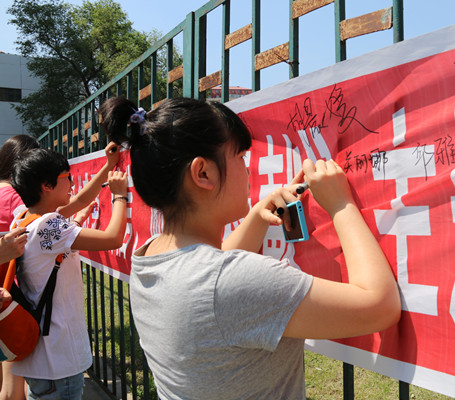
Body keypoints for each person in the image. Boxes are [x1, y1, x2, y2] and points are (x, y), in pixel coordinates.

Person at [100, 96, 402, 400]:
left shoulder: (150, 255)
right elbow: (379, 307)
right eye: (240, 157)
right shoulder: (227, 283)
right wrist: (340, 204)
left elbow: (211, 271)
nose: (248, 170)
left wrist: (258, 215)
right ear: (203, 173)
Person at [0, 135, 119, 400]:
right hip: (58, 360)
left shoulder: (25, 218)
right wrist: (120, 196)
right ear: (46, 185)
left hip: (42, 355)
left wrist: (107, 166)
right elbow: (114, 238)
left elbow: (76, 203)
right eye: (68, 176)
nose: (73, 182)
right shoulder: (48, 225)